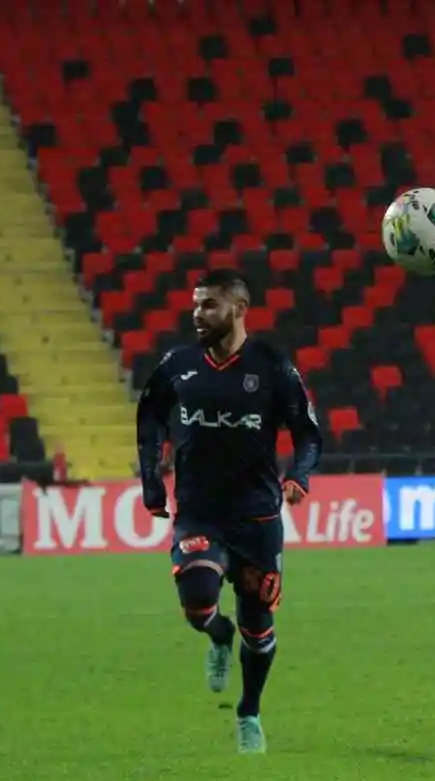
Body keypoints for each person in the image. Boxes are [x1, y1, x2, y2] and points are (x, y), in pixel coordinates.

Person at [135, 268, 324, 753]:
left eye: (209, 305)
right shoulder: (178, 365)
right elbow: (150, 416)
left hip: (257, 520)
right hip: (199, 513)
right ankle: (217, 634)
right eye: (196, 305)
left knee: (258, 628)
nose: (198, 314)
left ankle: (249, 711)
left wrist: (300, 475)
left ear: (239, 309)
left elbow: (307, 431)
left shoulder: (272, 368)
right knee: (198, 602)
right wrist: (152, 482)